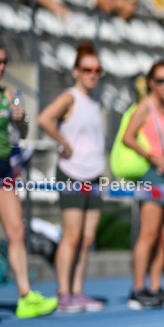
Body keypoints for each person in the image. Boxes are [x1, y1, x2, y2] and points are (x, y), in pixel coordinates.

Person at [0, 45, 58, 317]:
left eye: (4, 61)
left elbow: (21, 133)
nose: (0, 67)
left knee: (17, 232)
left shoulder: (7, 94)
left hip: (3, 169)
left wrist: (21, 118)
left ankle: (25, 296)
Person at [37, 43, 108, 312]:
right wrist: (63, 142)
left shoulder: (95, 100)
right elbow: (44, 119)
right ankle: (63, 292)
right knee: (72, 235)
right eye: (87, 69)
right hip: (72, 173)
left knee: (87, 238)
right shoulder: (70, 97)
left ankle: (78, 291)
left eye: (97, 70)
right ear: (76, 71)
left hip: (94, 174)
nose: (93, 74)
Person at [122, 60, 164, 310]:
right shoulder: (144, 107)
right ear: (150, 82)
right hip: (153, 175)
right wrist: (151, 156)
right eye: (161, 81)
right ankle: (138, 288)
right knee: (148, 234)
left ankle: (155, 286)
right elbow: (128, 137)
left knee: (163, 236)